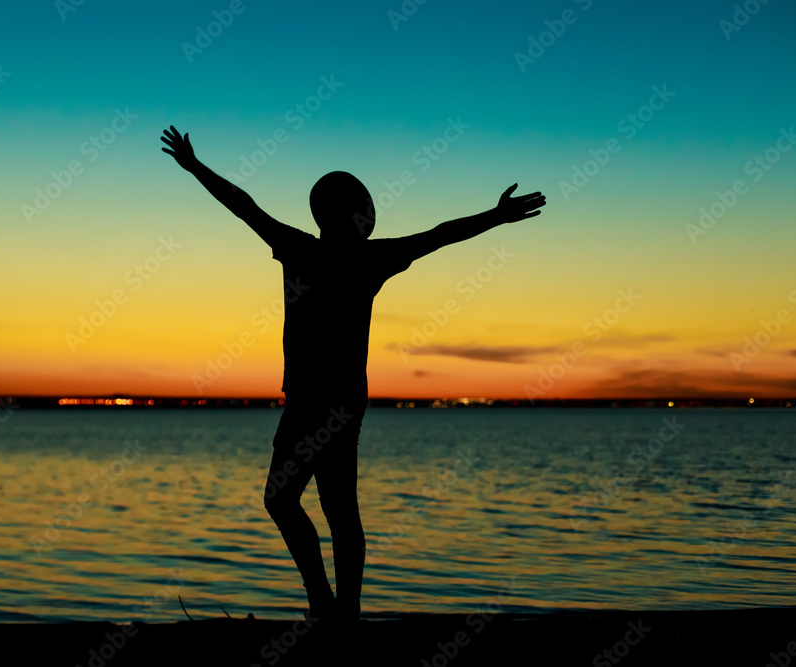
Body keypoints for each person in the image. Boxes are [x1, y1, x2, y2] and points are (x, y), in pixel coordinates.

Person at [161, 125, 545, 626]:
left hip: (316, 401)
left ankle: (331, 607)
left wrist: (195, 168)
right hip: (337, 401)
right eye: (368, 206)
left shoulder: (304, 248)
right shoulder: (366, 256)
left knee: (291, 501)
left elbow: (245, 205)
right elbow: (442, 233)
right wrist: (496, 216)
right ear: (354, 212)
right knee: (330, 508)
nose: (373, 214)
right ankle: (340, 610)